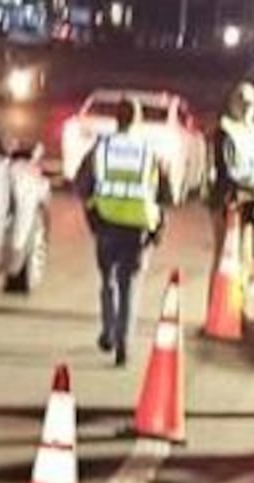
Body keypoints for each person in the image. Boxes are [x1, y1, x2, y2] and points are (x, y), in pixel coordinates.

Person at [79, 105, 169, 366]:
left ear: (116, 119)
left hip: (107, 222)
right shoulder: (148, 150)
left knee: (108, 279)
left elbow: (82, 184)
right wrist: (158, 224)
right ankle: (123, 344)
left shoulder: (102, 148)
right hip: (138, 226)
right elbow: (166, 194)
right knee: (129, 285)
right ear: (138, 120)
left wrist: (92, 212)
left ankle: (108, 332)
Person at [212, 79, 254, 260]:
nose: (247, 108)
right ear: (233, 102)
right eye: (243, 102)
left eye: (251, 103)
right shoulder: (227, 130)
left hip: (250, 201)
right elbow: (228, 170)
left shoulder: (253, 131)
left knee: (243, 256)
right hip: (229, 200)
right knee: (226, 257)